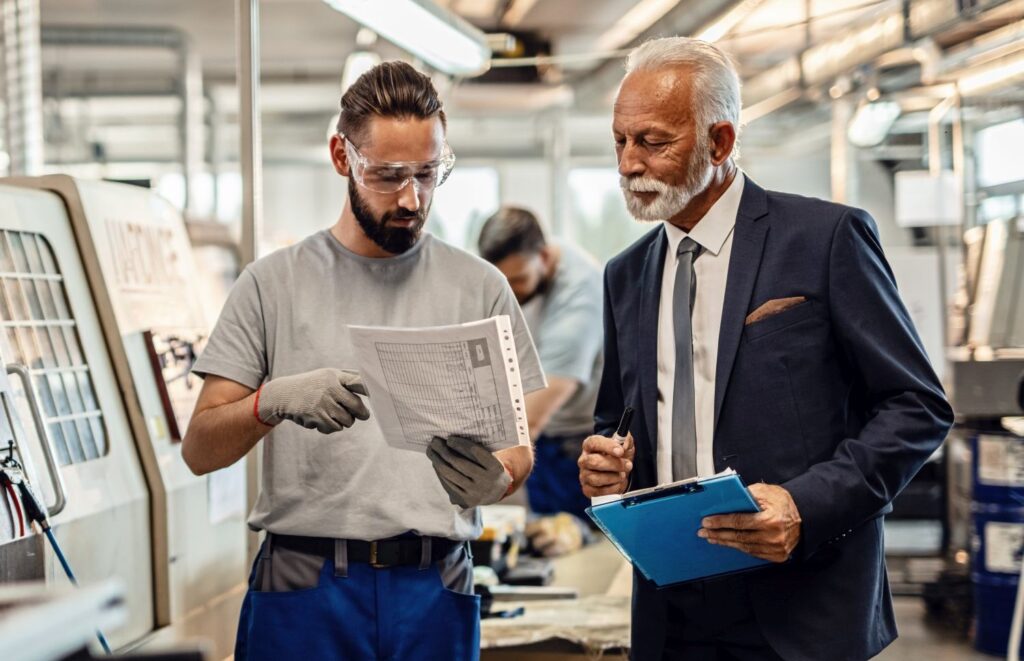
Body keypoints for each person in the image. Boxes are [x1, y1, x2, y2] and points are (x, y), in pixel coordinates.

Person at [578, 37, 953, 660]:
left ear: (719, 143)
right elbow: (617, 418)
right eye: (619, 141)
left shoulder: (825, 238)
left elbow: (917, 407)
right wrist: (606, 465)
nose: (628, 163)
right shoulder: (627, 273)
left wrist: (806, 506)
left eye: (652, 142)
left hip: (801, 604)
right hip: (672, 611)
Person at [182, 61, 545, 661]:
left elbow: (517, 445)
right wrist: (269, 401)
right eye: (388, 175)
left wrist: (503, 476)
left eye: (429, 174)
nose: (411, 198)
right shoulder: (271, 284)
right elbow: (200, 448)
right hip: (304, 586)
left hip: (435, 586)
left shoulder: (478, 287)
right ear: (341, 156)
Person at [478, 206, 603, 556]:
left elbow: (530, 419)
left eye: (518, 281)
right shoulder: (526, 260)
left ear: (544, 257)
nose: (511, 293)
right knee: (542, 544)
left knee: (574, 548)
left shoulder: (578, 300)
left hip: (578, 446)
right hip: (544, 439)